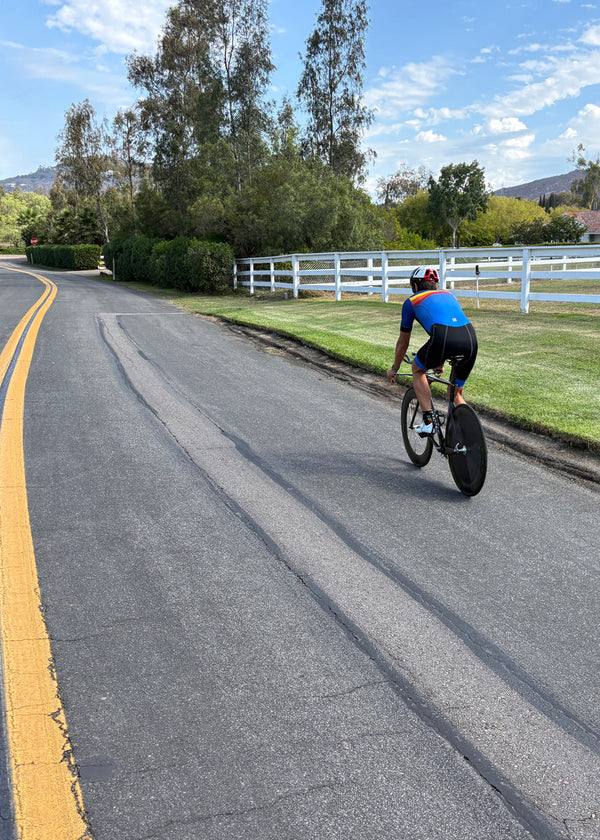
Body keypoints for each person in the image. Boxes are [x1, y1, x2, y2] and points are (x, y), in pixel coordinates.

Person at [386, 267, 478, 435]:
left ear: (415, 286)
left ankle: (428, 421)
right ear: (435, 284)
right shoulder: (449, 295)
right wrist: (439, 364)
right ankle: (470, 436)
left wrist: (395, 368)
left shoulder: (411, 301)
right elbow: (449, 327)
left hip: (443, 339)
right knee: (456, 394)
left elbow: (403, 343)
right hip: (471, 339)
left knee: (417, 369)